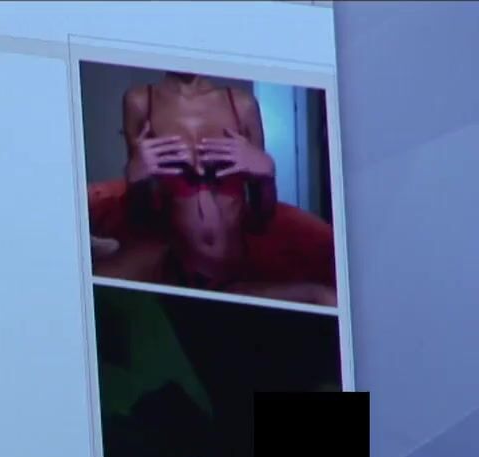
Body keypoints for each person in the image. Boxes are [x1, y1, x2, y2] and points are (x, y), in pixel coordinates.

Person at [92, 72, 337, 306]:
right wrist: (135, 179)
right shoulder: (140, 101)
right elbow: (140, 221)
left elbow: (261, 220)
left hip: (232, 278)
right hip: (170, 270)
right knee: (93, 283)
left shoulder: (241, 104)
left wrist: (266, 176)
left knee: (325, 298)